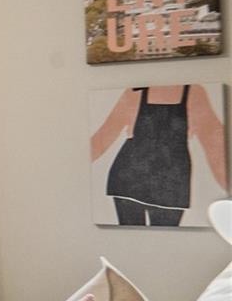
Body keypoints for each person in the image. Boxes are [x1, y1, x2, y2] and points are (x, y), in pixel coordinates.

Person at [90, 84, 228, 226]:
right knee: (130, 237)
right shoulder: (135, 93)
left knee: (167, 238)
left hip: (171, 185)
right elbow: (105, 134)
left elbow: (215, 144)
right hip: (128, 181)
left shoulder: (194, 93)